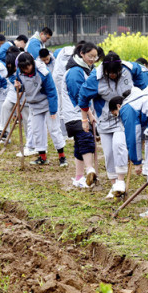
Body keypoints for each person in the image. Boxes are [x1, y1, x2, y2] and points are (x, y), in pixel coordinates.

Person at [78, 52, 148, 197]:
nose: (112, 75)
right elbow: (83, 97)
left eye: (115, 73)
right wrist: (85, 120)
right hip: (105, 118)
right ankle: (114, 187)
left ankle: (120, 180)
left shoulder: (130, 69)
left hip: (124, 116)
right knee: (109, 153)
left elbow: (145, 80)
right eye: (109, 73)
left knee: (119, 145)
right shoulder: (96, 78)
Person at [110, 88, 148, 219]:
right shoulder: (143, 99)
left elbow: (133, 135)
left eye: (116, 114)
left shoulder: (127, 108)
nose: (119, 117)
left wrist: (137, 161)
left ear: (118, 106)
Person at [15, 53, 67, 167]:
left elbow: (52, 91)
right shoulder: (19, 73)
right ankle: (42, 157)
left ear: (32, 64)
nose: (26, 70)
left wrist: (53, 110)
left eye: (27, 67)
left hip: (48, 103)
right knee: (36, 131)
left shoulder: (43, 72)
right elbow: (23, 86)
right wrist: (19, 87)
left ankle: (62, 156)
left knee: (54, 129)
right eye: (23, 68)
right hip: (34, 104)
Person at [62, 43, 99, 188]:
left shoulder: (85, 70)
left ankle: (78, 177)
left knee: (79, 145)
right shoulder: (75, 72)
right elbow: (79, 96)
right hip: (74, 113)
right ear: (82, 54)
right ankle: (90, 170)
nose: (93, 59)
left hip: (79, 113)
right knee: (86, 139)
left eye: (95, 57)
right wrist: (89, 115)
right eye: (90, 56)